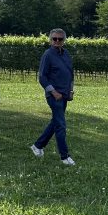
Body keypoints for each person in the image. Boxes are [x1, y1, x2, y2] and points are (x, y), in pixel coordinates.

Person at [31, 28, 76, 166]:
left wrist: (71, 90)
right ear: (50, 40)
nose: (57, 41)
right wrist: (53, 92)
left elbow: (70, 73)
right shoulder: (48, 54)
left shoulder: (66, 54)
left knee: (56, 122)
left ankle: (37, 146)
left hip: (65, 95)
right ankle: (65, 157)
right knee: (61, 125)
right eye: (54, 39)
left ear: (64, 40)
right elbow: (42, 77)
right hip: (54, 96)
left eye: (60, 39)